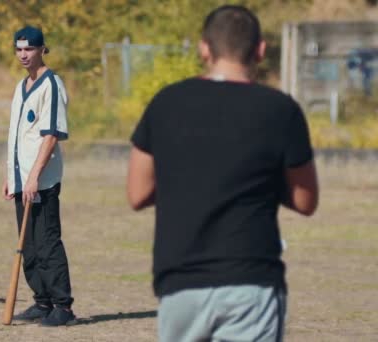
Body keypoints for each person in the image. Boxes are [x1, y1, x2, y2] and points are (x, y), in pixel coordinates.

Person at [127, 5, 319, 342]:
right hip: (250, 281)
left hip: (180, 283)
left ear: (204, 48)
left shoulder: (166, 103)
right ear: (260, 50)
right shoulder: (280, 109)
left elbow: (137, 193)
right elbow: (306, 200)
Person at [2, 25, 76, 327]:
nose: (23, 54)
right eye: (19, 49)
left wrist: (33, 176)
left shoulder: (51, 84)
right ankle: (42, 301)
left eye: (29, 49)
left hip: (42, 182)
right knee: (29, 245)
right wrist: (12, 175)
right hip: (22, 180)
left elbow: (51, 136)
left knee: (46, 242)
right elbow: (18, 136)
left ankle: (63, 306)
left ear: (42, 49)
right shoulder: (21, 87)